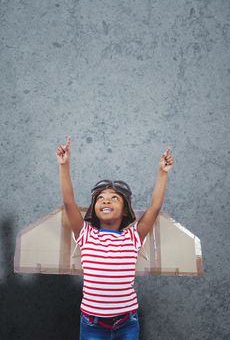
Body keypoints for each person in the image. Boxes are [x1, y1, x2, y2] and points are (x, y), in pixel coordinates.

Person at [56, 136, 174, 340]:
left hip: (127, 322)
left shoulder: (133, 237)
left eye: (114, 198)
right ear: (94, 208)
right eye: (100, 198)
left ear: (125, 209)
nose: (106, 200)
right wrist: (65, 165)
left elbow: (154, 208)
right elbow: (68, 202)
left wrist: (162, 173)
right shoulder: (86, 235)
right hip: (92, 324)